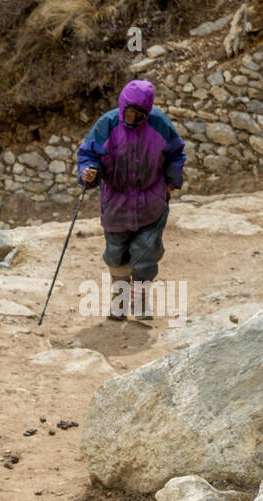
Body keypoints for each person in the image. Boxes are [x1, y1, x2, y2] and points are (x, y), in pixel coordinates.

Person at [77, 79, 186, 321]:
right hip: (115, 202)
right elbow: (88, 154)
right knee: (116, 253)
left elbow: (176, 153)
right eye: (128, 112)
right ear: (121, 106)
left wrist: (171, 182)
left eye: (139, 115)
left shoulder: (159, 123)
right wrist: (89, 172)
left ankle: (141, 302)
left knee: (146, 251)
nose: (132, 119)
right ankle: (119, 302)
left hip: (152, 200)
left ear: (147, 112)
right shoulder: (107, 124)